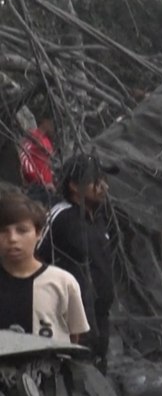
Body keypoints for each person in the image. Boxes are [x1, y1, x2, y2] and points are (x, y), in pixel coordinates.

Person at [38, 156, 113, 368]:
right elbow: (34, 257)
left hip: (101, 314)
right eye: (95, 182)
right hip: (72, 317)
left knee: (98, 367)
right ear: (74, 185)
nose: (103, 187)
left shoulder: (98, 217)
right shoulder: (60, 216)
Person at [0, 191, 89, 343]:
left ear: (39, 233)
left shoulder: (62, 282)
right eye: (3, 231)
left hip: (47, 365)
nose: (12, 238)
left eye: (22, 230)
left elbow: (74, 336)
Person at [19, 113, 56, 198]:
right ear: (44, 121)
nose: (52, 126)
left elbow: (48, 163)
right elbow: (24, 158)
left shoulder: (47, 141)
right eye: (51, 123)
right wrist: (37, 181)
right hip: (36, 187)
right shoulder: (32, 136)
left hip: (49, 187)